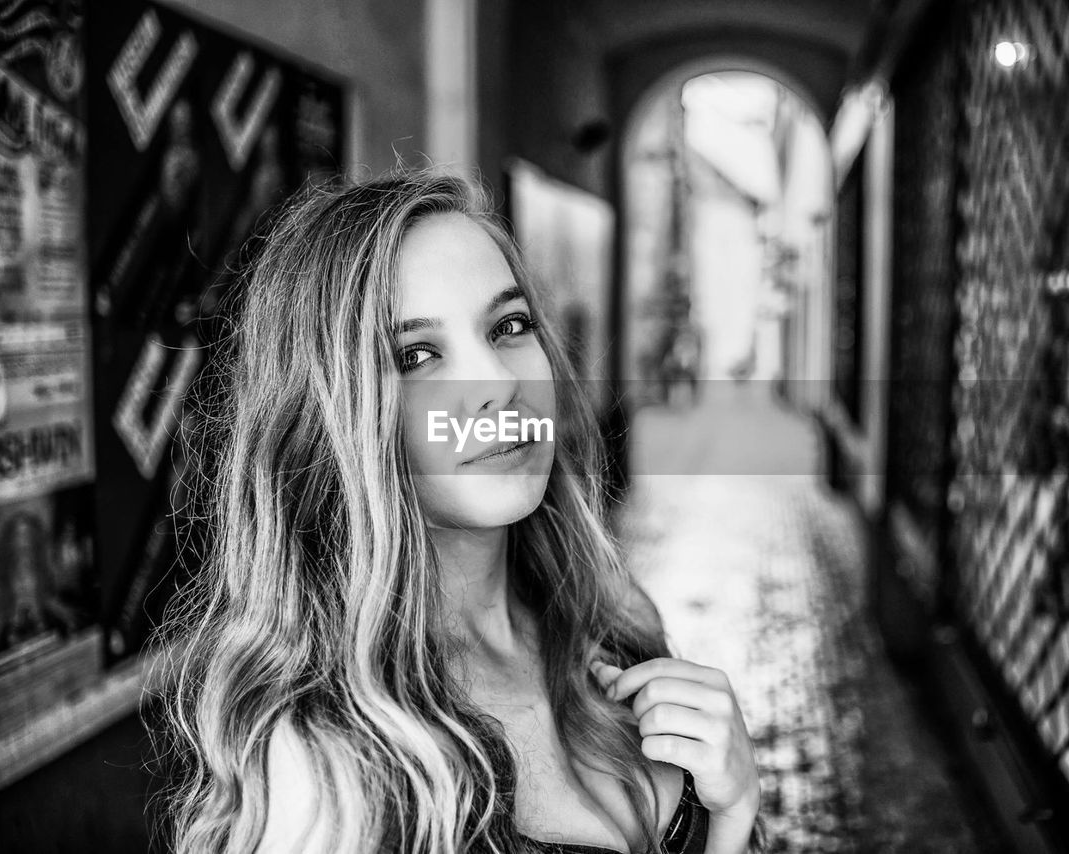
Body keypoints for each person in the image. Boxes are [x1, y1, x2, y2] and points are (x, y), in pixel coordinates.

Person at [156, 169, 761, 853]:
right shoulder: (324, 773)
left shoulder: (614, 622)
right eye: (416, 355)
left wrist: (732, 815)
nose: (499, 386)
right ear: (327, 418)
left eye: (508, 326)